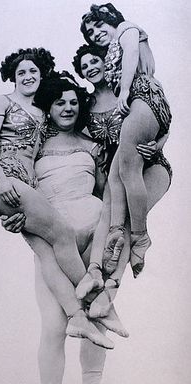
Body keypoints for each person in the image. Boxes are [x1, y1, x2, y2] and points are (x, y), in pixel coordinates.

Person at [2, 73, 129, 384]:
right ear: (49, 106)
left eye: (74, 101)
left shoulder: (93, 145)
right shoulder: (34, 145)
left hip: (92, 236)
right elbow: (18, 192)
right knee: (55, 325)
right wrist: (13, 217)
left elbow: (109, 194)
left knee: (94, 317)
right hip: (57, 241)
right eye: (60, 102)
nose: (68, 107)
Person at [0, 48, 113, 348]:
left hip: (26, 190)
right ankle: (101, 300)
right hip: (5, 181)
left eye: (34, 72)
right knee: (62, 232)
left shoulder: (43, 116)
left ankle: (77, 315)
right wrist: (0, 182)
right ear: (12, 76)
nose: (27, 77)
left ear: (42, 77)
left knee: (49, 252)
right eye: (21, 72)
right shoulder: (2, 102)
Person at [72, 43, 172, 316]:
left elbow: (163, 122)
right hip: (114, 172)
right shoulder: (85, 106)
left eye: (95, 61)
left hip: (150, 166)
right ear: (82, 74)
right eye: (85, 67)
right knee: (108, 214)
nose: (91, 68)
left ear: (106, 63)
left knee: (126, 223)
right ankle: (93, 272)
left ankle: (110, 290)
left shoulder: (125, 92)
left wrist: (159, 144)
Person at [80, 3, 172, 277]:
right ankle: (116, 234)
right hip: (143, 101)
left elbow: (132, 54)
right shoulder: (111, 51)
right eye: (90, 32)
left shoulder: (126, 28)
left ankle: (140, 236)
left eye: (98, 25)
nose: (95, 33)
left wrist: (125, 92)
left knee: (128, 171)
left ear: (110, 19)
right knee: (115, 176)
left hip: (142, 95)